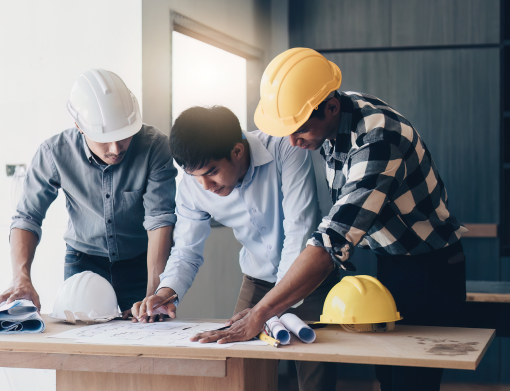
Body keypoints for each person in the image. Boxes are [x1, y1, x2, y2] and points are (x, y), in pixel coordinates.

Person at [194, 48, 468, 391]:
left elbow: (331, 242)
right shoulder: (331, 116)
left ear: (331, 107)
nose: (292, 141)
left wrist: (259, 313)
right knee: (388, 378)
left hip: (431, 269)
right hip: (391, 262)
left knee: (411, 383)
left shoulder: (378, 139)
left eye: (300, 130)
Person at [131, 105, 338, 391]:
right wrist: (165, 293)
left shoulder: (285, 149)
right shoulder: (194, 186)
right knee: (240, 374)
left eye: (212, 172)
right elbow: (186, 251)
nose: (206, 186)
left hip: (307, 278)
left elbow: (298, 231)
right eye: (196, 176)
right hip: (256, 280)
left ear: (238, 152)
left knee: (315, 380)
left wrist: (268, 309)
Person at [0, 69, 177, 316]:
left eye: (124, 136)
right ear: (79, 127)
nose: (116, 148)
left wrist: (153, 294)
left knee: (149, 328)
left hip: (141, 260)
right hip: (83, 261)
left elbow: (160, 221)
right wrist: (21, 278)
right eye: (104, 139)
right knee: (80, 341)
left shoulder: (155, 148)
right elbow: (27, 217)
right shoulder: (54, 153)